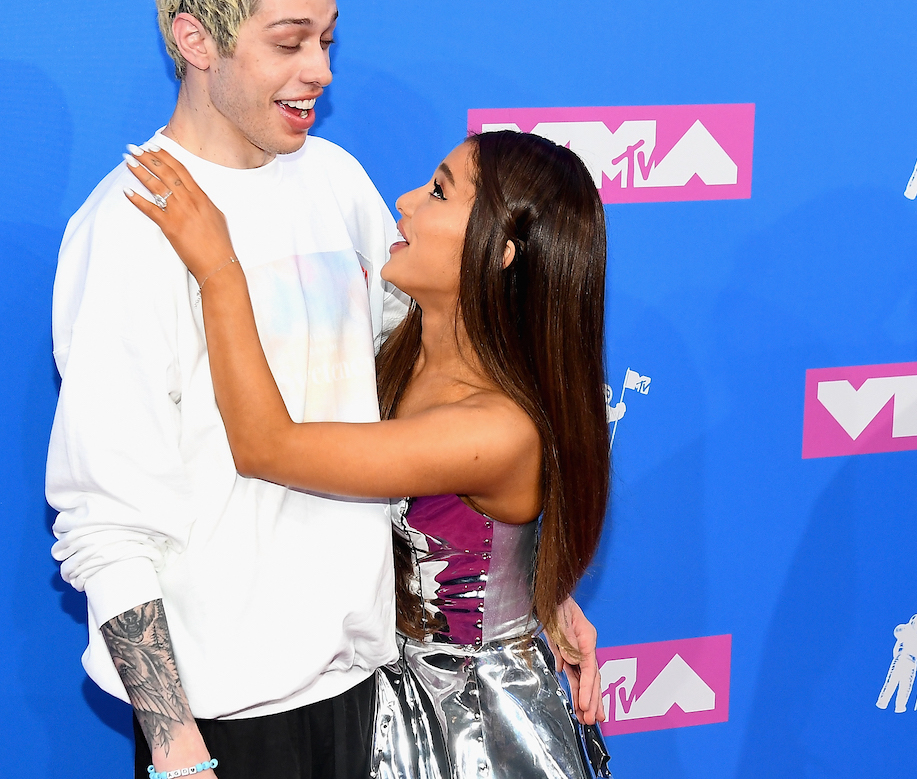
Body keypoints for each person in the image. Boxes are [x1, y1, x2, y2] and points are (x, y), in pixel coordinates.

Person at [44, 0, 602, 779]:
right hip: (224, 716)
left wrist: (529, 580)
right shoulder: (128, 227)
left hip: (374, 695)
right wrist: (175, 741)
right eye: (289, 41)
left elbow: (433, 377)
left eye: (328, 42)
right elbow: (105, 522)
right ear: (197, 41)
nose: (318, 73)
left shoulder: (336, 180)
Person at [122, 128, 613, 778]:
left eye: (440, 191)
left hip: (472, 735)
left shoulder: (496, 429)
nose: (406, 202)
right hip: (375, 699)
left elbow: (267, 445)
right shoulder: (396, 353)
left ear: (500, 252)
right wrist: (539, 592)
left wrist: (218, 266)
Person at [876, 613, 917, 713]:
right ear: (913, 621)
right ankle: (883, 702)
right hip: (901, 658)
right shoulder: (906, 631)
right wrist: (908, 628)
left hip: (912, 662)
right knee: (892, 681)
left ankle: (900, 706)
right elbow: (897, 631)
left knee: (906, 685)